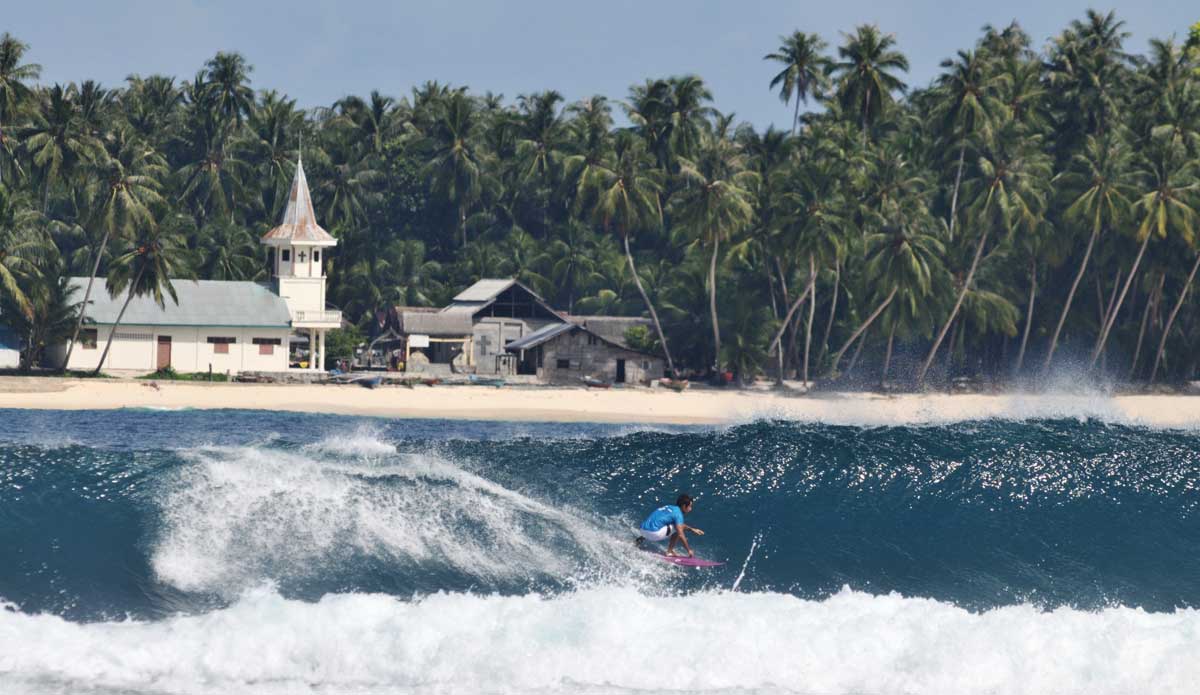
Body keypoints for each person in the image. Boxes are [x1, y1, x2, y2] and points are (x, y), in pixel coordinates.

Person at [636, 494, 704, 557]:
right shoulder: (678, 514)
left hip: (642, 530)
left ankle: (641, 538)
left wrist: (692, 529)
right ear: (683, 506)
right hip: (654, 534)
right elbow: (680, 534)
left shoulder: (668, 507)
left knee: (659, 522)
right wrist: (689, 550)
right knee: (678, 528)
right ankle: (669, 551)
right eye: (690, 506)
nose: (690, 509)